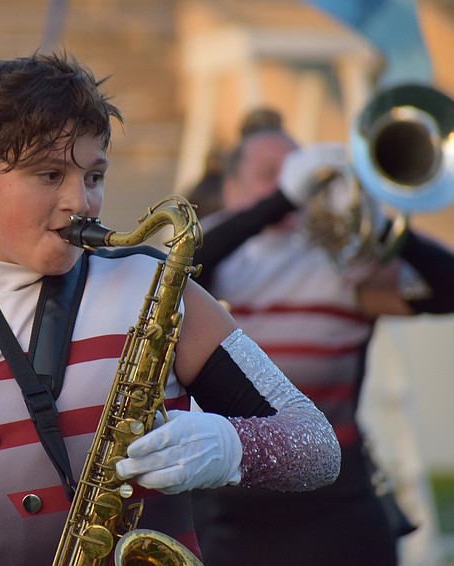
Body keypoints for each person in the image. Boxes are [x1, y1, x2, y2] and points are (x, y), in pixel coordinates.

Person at [0, 52, 341, 566]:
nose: (81, 201)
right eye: (49, 174)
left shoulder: (153, 285)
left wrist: (229, 444)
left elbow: (317, 447)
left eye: (94, 176)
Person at [190, 126, 454, 565]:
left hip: (335, 500)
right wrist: (281, 200)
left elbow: (446, 290)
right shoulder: (209, 247)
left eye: (298, 174)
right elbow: (174, 281)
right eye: (270, 174)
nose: (293, 186)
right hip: (232, 504)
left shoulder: (346, 259)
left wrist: (385, 225)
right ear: (233, 189)